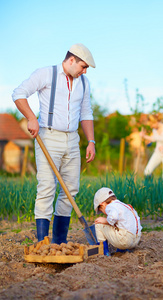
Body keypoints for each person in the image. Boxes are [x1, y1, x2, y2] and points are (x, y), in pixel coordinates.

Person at [12, 43, 96, 243]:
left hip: (72, 139)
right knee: (47, 187)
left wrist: (91, 141)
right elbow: (18, 93)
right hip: (48, 137)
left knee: (70, 190)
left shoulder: (84, 83)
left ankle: (59, 242)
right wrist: (32, 117)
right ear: (71, 60)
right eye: (83, 66)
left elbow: (86, 113)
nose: (85, 71)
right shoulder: (46, 74)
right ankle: (43, 243)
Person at [93, 187, 142, 255]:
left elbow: (113, 217)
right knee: (119, 226)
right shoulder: (125, 206)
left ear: (102, 204)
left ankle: (104, 252)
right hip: (135, 240)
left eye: (101, 210)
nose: (105, 213)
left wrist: (104, 220)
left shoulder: (110, 206)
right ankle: (121, 251)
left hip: (125, 240)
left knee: (99, 224)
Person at [140, 113, 163, 183]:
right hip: (157, 153)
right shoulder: (155, 129)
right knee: (147, 171)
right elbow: (154, 139)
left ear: (156, 122)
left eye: (151, 125)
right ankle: (149, 188)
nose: (151, 127)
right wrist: (144, 136)